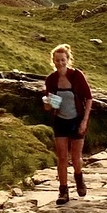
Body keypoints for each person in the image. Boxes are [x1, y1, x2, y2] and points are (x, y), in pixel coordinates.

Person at [43, 43, 93, 204]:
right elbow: (49, 104)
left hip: (77, 119)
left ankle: (79, 179)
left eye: (63, 60)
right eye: (57, 60)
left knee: (76, 157)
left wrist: (84, 121)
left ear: (68, 60)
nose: (60, 63)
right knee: (62, 157)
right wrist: (48, 104)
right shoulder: (51, 79)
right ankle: (63, 191)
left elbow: (89, 98)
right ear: (53, 61)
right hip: (60, 121)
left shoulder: (76, 75)